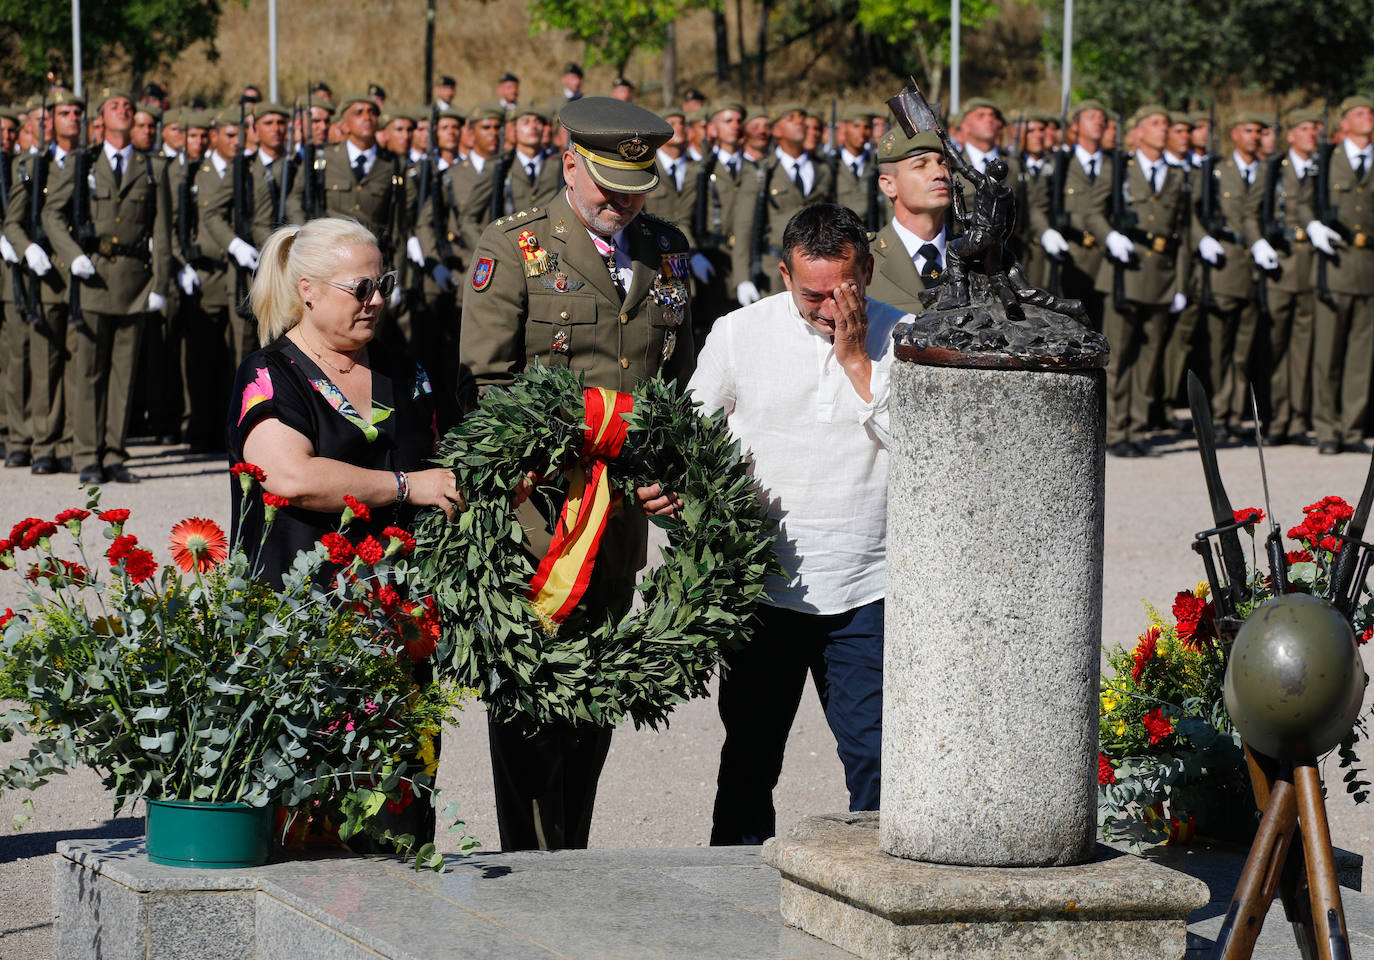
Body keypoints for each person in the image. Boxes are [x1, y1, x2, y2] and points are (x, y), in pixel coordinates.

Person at [460, 96, 693, 851]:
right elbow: (486, 386)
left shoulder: (666, 250)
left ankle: (575, 855)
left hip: (620, 523)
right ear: (569, 164)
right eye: (607, 188)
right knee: (529, 701)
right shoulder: (516, 247)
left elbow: (672, 381)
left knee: (595, 694)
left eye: (636, 188)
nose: (623, 204)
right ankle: (528, 862)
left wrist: (667, 468)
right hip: (542, 521)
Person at [691, 203, 903, 845]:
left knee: (879, 763)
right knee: (750, 761)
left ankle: (879, 898)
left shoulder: (906, 335)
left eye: (845, 290)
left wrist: (859, 361)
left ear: (866, 270)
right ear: (784, 274)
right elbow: (692, 433)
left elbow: (922, 448)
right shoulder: (738, 332)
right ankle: (732, 902)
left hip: (866, 587)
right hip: (765, 587)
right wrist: (677, 492)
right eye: (812, 294)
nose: (829, 308)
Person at [231, 216, 462, 587]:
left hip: (403, 607)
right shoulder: (269, 375)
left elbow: (439, 463)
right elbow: (293, 478)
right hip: (300, 610)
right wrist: (406, 486)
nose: (378, 300)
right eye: (362, 288)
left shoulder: (405, 371)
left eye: (383, 284)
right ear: (309, 290)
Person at [43, 86, 171, 485]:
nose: (123, 110)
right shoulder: (83, 164)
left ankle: (114, 452)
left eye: (128, 107)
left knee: (123, 374)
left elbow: (162, 231)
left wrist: (161, 282)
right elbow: (52, 213)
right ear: (101, 118)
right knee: (88, 373)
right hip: (93, 277)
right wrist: (70, 255)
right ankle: (86, 454)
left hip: (134, 280)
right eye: (115, 105)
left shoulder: (153, 168)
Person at [1085, 104, 1192, 459]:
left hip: (1161, 273)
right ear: (1139, 131)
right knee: (1121, 354)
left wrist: (1181, 282)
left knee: (1149, 358)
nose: (1164, 130)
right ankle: (1116, 430)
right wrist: (1109, 236)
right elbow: (1092, 211)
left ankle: (1138, 427)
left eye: (1167, 124)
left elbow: (1183, 234)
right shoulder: (1120, 169)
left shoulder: (1177, 176)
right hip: (1125, 273)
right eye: (1156, 124)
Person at [733, 104, 836, 305]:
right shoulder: (762, 171)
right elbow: (744, 226)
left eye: (802, 118)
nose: (800, 122)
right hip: (774, 271)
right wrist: (743, 278)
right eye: (791, 118)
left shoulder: (822, 169)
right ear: (777, 130)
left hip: (819, 269)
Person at [1261, 108, 1319, 446]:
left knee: (1303, 349)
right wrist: (1259, 242)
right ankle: (1277, 419)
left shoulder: (1320, 169)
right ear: (1291, 134)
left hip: (1310, 265)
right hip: (1280, 265)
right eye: (1305, 128)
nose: (1312, 134)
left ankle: (1298, 421)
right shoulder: (1274, 170)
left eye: (1316, 128)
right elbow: (1255, 210)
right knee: (1276, 348)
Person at [866, 128, 952, 314]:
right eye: (920, 165)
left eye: (942, 163)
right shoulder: (864, 260)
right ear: (889, 185)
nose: (939, 173)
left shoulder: (978, 258)